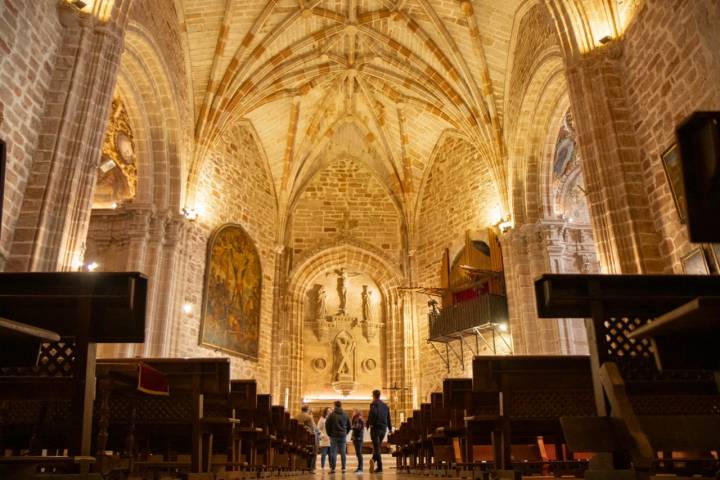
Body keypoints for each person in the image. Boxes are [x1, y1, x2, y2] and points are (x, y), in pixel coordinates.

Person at [367, 389, 392, 473]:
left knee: (377, 447)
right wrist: (390, 428)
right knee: (378, 446)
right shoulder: (385, 406)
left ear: (374, 396)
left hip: (376, 428)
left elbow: (372, 414)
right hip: (383, 429)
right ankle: (374, 459)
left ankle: (379, 466)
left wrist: (370, 423)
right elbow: (388, 418)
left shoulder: (374, 404)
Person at [325, 400, 351, 473]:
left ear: (335, 406)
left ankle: (333, 468)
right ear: (341, 405)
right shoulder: (345, 414)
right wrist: (345, 433)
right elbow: (349, 425)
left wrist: (329, 434)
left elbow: (327, 425)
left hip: (334, 436)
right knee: (343, 452)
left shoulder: (331, 414)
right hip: (342, 435)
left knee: (333, 452)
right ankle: (343, 468)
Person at [297, 405, 318, 471]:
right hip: (307, 438)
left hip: (298, 438)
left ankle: (300, 465)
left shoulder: (296, 416)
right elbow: (312, 429)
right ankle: (311, 467)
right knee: (314, 450)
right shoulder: (309, 417)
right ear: (308, 410)